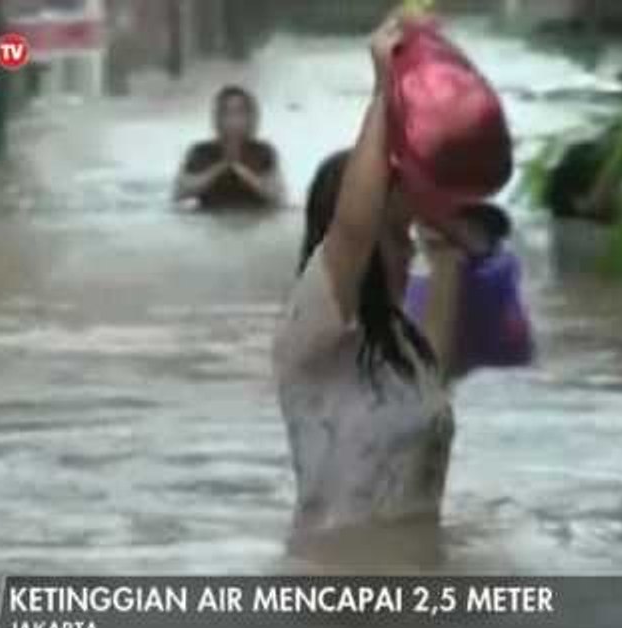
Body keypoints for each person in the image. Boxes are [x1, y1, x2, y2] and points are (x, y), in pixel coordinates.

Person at [272, 12, 475, 542]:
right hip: (338, 587)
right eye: (395, 235)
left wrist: (446, 254)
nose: (407, 250)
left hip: (414, 577)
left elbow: (435, 369)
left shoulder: (402, 346)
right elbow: (354, 228)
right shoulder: (310, 328)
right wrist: (385, 91)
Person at [174, 85, 285, 211]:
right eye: (226, 114)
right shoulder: (201, 151)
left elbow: (277, 196)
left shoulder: (263, 151)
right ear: (217, 118)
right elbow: (179, 193)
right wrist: (221, 166)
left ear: (251, 118)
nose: (233, 121)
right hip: (210, 219)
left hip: (253, 219)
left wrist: (240, 169)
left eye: (239, 113)